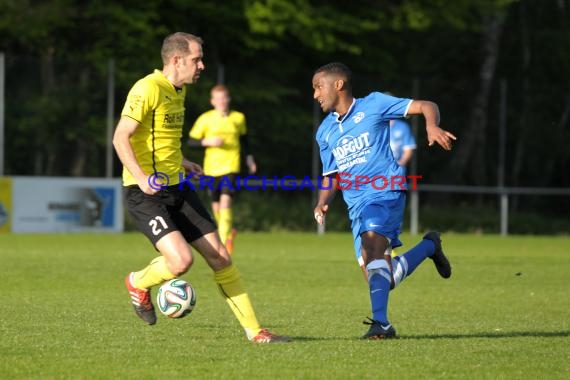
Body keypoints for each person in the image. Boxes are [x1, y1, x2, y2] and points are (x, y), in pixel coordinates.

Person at [113, 32, 288, 343]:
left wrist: (183, 162)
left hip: (178, 187)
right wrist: (140, 177)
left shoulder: (178, 90)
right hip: (145, 193)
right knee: (181, 262)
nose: (202, 65)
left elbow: (160, 140)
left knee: (221, 257)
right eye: (197, 59)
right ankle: (138, 282)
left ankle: (256, 332)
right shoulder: (147, 88)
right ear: (177, 60)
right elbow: (120, 137)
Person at [312, 62, 456, 340]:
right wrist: (322, 201)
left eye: (318, 87)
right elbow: (331, 175)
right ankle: (429, 246)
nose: (315, 94)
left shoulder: (374, 104)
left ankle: (382, 325)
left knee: (372, 246)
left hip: (384, 194)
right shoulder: (325, 131)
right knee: (382, 279)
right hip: (356, 207)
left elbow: (427, 105)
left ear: (338, 84)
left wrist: (432, 126)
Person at [188, 85, 257, 254]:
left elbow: (244, 140)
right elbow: (190, 141)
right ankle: (228, 232)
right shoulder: (205, 118)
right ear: (212, 101)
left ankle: (225, 244)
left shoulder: (238, 117)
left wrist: (250, 159)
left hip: (231, 166)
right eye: (217, 98)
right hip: (211, 168)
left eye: (224, 98)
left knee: (226, 202)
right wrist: (207, 142)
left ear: (228, 99)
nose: (221, 101)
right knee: (217, 208)